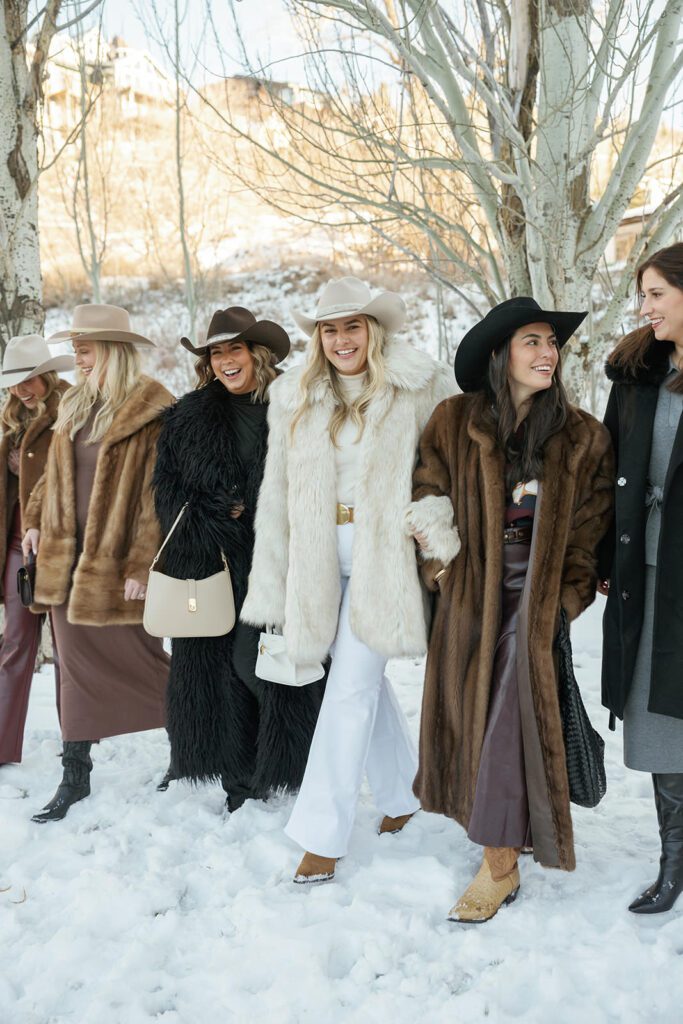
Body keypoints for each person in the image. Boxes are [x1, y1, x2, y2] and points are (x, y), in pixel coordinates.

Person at [241, 276, 453, 883]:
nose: (341, 340)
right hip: (316, 553)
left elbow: (452, 463)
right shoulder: (294, 397)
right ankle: (401, 795)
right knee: (352, 679)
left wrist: (437, 526)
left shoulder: (421, 383)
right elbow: (277, 491)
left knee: (351, 687)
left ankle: (321, 836)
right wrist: (275, 578)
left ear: (373, 330)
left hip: (385, 553)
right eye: (329, 330)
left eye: (351, 327)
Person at [408, 297, 614, 922]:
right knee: (489, 715)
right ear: (501, 354)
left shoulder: (583, 436)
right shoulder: (453, 420)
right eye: (533, 341)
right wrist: (443, 568)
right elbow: (427, 491)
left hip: (538, 598)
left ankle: (498, 863)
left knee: (503, 712)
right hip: (473, 593)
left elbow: (588, 531)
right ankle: (505, 835)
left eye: (552, 343)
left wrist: (565, 600)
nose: (548, 353)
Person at [152, 307, 324, 809]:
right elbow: (167, 495)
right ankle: (240, 779)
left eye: (236, 349)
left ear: (258, 354)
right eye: (217, 353)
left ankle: (294, 762)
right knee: (220, 671)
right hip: (215, 565)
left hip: (280, 562)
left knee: (262, 665)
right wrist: (213, 511)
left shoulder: (298, 403)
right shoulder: (188, 416)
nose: (226, 361)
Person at [22, 303, 174, 822]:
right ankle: (74, 774)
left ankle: (188, 751)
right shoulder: (72, 407)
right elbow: (50, 479)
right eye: (75, 350)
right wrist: (36, 519)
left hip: (115, 567)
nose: (77, 358)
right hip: (66, 560)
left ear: (111, 349)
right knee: (71, 668)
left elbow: (160, 498)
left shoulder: (153, 410)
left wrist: (143, 565)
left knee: (149, 663)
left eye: (84, 349)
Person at [600, 242, 683, 915]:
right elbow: (607, 473)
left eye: (655, 293)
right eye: (643, 294)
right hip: (650, 572)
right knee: (658, 720)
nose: (644, 306)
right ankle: (673, 865)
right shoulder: (634, 374)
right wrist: (601, 558)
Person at [0, 335, 73, 765]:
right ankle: (4, 745)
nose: (23, 390)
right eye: (14, 382)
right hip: (15, 547)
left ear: (46, 375)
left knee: (67, 648)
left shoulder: (71, 411)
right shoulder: (9, 422)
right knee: (14, 645)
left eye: (29, 380)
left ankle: (77, 741)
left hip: (58, 545)